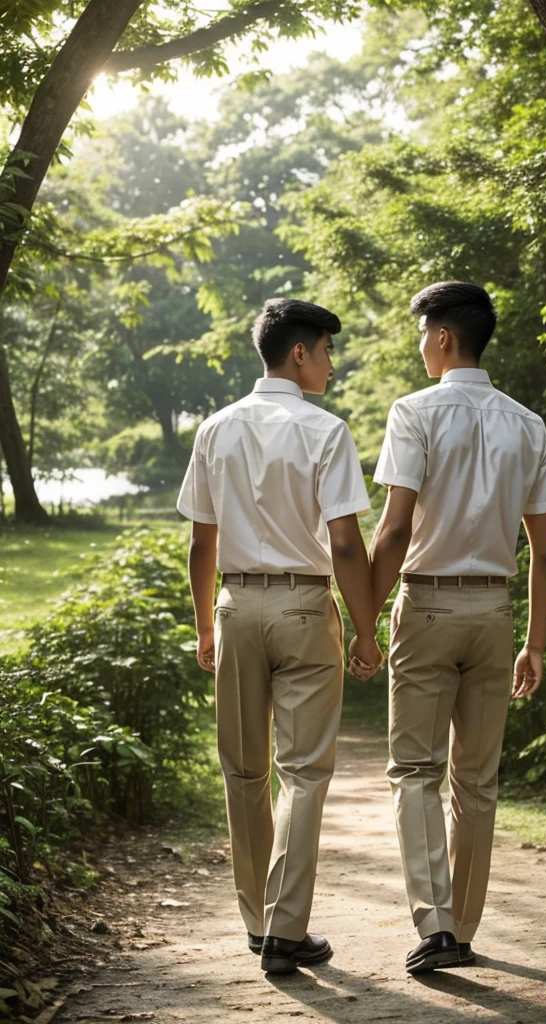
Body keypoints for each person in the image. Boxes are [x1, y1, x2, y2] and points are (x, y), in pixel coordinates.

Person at [176, 297, 381, 975]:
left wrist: (207, 624)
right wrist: (365, 628)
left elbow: (201, 542)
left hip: (237, 604)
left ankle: (256, 921)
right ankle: (284, 929)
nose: (330, 362)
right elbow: (347, 545)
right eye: (326, 349)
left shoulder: (216, 428)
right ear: (300, 352)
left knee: (243, 771)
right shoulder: (326, 432)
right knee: (304, 775)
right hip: (303, 606)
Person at [366, 280, 546, 974]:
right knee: (477, 781)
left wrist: (362, 622)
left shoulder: (413, 413)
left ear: (444, 337)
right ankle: (465, 931)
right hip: (495, 612)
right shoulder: (527, 423)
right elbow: (545, 552)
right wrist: (534, 642)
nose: (420, 346)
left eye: (422, 333)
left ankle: (435, 925)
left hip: (427, 605)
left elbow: (392, 532)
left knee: (416, 771)